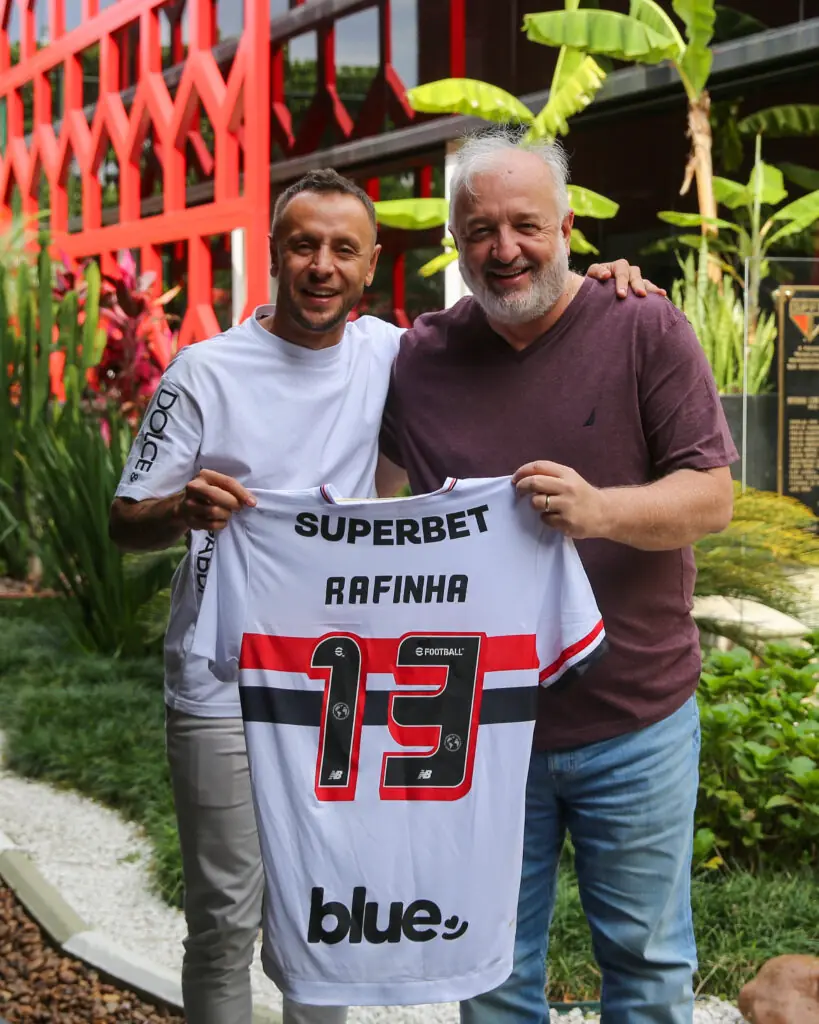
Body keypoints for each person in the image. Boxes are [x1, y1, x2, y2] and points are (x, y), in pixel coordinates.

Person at [108, 166, 658, 1024]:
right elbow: (124, 521)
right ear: (274, 254)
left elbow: (513, 308)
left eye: (343, 249)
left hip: (343, 683)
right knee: (222, 919)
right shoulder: (201, 372)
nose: (321, 266)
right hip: (221, 684)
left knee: (326, 907)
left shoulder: (391, 352)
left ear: (370, 266)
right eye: (303, 246)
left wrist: (600, 287)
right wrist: (182, 509)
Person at [378, 129, 737, 1024]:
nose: (504, 249)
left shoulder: (642, 325)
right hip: (480, 729)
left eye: (526, 226)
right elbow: (370, 511)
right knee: (490, 975)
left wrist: (597, 511)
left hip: (635, 718)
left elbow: (710, 498)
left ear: (567, 228)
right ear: (453, 243)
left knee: (647, 971)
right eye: (479, 231)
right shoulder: (417, 357)